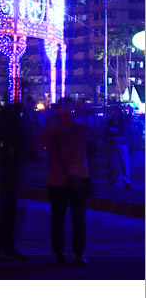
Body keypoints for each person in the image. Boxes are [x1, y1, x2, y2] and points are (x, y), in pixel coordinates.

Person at [42, 97, 92, 266]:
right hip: (73, 178)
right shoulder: (78, 130)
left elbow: (40, 148)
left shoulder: (55, 131)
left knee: (61, 218)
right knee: (74, 218)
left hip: (62, 179)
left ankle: (63, 253)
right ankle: (75, 253)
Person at [0, 101, 28, 261]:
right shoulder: (13, 134)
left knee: (4, 207)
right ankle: (6, 246)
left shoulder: (0, 135)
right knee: (9, 208)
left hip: (4, 168)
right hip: (9, 170)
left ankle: (2, 245)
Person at [104, 107, 131, 188]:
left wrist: (117, 135)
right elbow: (106, 132)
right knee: (112, 163)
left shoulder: (122, 122)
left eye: (116, 112)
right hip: (113, 144)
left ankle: (126, 181)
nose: (115, 114)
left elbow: (125, 132)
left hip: (121, 144)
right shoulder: (110, 122)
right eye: (114, 112)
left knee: (124, 163)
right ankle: (112, 180)